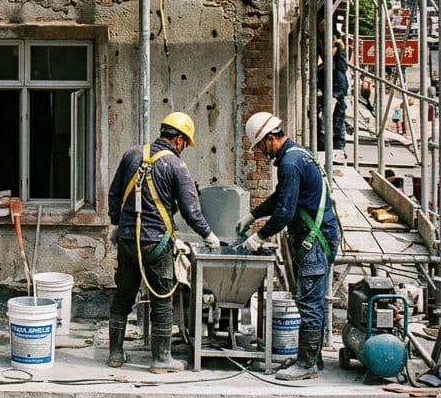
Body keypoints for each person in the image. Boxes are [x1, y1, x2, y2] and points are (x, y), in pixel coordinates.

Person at [106, 111, 218, 373]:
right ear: (179, 139)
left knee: (123, 297)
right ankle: (161, 360)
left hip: (127, 241)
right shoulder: (176, 165)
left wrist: (117, 223)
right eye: (185, 144)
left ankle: (115, 355)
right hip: (156, 244)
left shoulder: (132, 154)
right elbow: (191, 211)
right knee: (162, 301)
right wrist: (209, 236)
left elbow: (114, 193)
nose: (183, 149)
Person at [239, 111, 340, 381]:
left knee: (309, 302)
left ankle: (306, 365)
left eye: (260, 147)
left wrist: (259, 237)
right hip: (317, 237)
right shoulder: (298, 154)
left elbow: (284, 212)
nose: (261, 153)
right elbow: (280, 197)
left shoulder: (290, 163)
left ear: (269, 139)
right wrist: (253, 214)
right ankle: (312, 359)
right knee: (311, 300)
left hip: (314, 240)